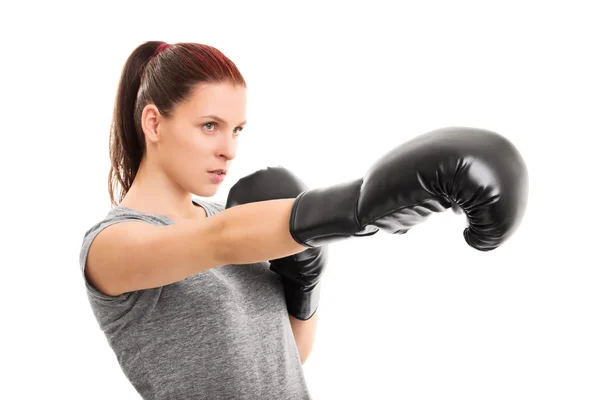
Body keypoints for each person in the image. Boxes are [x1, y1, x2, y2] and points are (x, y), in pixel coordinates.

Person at [79, 40, 528, 399]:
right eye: (210, 126)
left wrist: (303, 283)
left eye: (237, 130)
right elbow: (218, 240)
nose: (230, 150)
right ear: (154, 124)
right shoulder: (113, 245)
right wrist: (356, 205)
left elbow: (289, 356)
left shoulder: (234, 217)